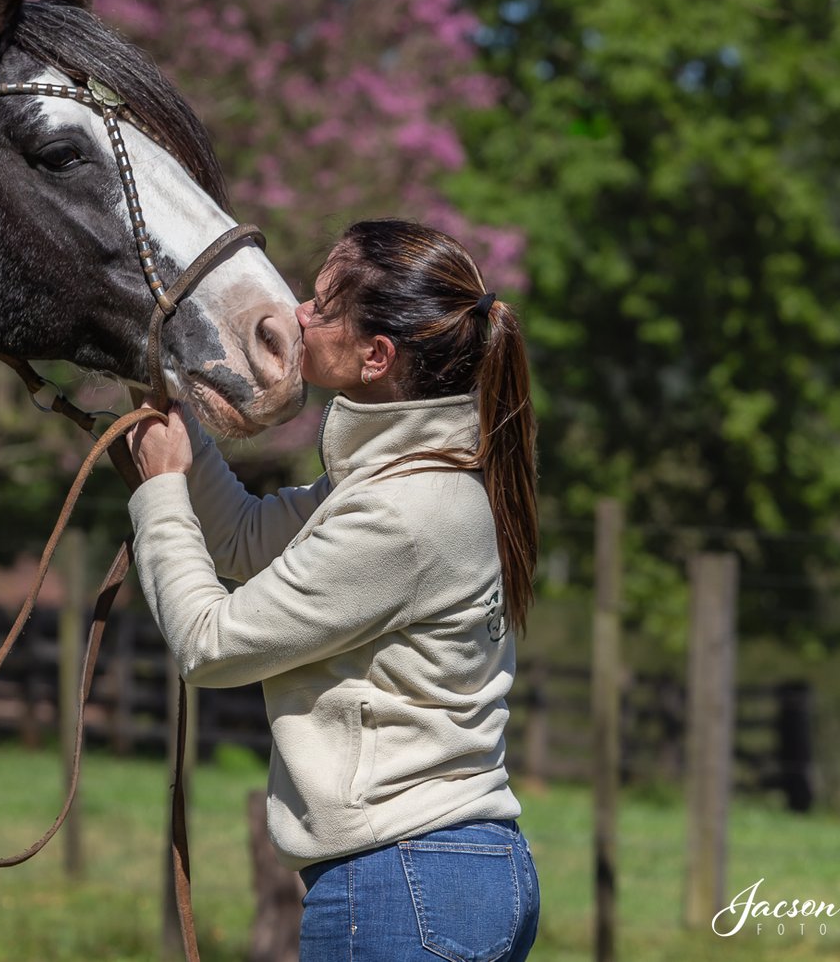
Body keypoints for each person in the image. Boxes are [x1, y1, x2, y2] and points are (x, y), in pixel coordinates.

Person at [125, 218, 542, 962]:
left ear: (377, 356)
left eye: (320, 305)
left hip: (400, 881)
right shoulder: (411, 482)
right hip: (451, 872)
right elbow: (246, 540)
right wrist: (180, 418)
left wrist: (159, 491)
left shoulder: (398, 514)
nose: (297, 314)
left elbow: (209, 644)